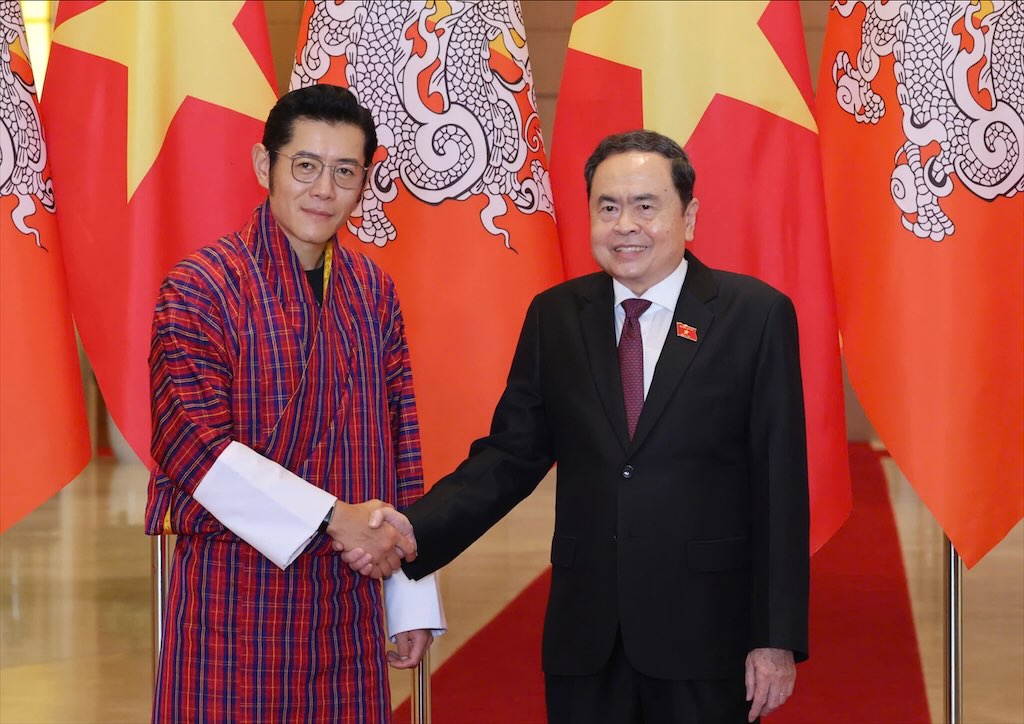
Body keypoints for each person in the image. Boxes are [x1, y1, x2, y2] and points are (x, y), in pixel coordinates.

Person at [350, 129, 810, 723]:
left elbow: (780, 485)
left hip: (705, 634)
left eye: (646, 206)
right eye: (608, 207)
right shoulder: (557, 316)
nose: (626, 225)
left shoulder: (755, 315)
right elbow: (509, 456)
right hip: (585, 636)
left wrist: (774, 637)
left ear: (688, 216)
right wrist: (415, 530)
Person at [144, 84, 445, 724]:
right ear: (265, 166)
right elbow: (193, 449)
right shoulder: (200, 286)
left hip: (349, 597)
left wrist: (410, 593)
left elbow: (402, 443)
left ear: (366, 180)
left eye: (345, 172)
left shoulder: (372, 290)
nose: (323, 190)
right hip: (235, 599)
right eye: (304, 166)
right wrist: (335, 517)